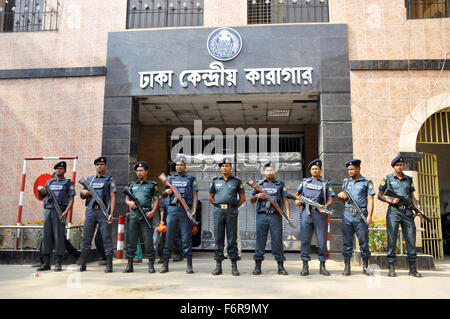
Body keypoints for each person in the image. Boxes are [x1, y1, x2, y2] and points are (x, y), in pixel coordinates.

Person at [378, 154, 423, 278]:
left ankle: (412, 268)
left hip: (407, 212)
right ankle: (391, 267)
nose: (399, 167)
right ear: (393, 167)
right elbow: (379, 195)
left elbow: (412, 196)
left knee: (411, 239)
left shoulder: (408, 179)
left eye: (400, 165)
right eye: (396, 165)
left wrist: (417, 209)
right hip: (394, 211)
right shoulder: (387, 178)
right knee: (392, 238)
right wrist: (390, 200)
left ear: (404, 165)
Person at [295, 159, 335, 276]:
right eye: (312, 169)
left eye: (316, 168)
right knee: (305, 240)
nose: (314, 170)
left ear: (321, 170)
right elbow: (297, 196)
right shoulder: (305, 182)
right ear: (310, 170)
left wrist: (325, 206)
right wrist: (297, 201)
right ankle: (305, 266)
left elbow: (330, 198)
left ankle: (322, 265)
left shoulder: (325, 183)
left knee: (322, 240)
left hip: (320, 214)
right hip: (306, 213)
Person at [160, 155, 198, 274]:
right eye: (177, 165)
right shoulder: (170, 179)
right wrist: (166, 191)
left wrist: (194, 210)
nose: (179, 167)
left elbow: (195, 195)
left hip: (184, 211)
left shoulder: (191, 178)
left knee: (186, 238)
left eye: (181, 164)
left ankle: (189, 265)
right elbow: (163, 195)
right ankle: (165, 265)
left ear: (185, 166)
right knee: (169, 237)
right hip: (172, 211)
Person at [250, 162, 290, 275]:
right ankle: (257, 266)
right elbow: (251, 199)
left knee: (277, 240)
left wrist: (287, 214)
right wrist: (257, 196)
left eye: (271, 170)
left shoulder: (280, 184)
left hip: (275, 215)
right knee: (260, 240)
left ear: (275, 172)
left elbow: (285, 199)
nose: (269, 172)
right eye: (267, 171)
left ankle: (280, 266)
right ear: (264, 172)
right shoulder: (258, 184)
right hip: (262, 215)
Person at [209, 157, 246, 276]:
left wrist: (233, 207)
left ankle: (234, 266)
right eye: (222, 166)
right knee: (219, 238)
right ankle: (218, 266)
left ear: (231, 167)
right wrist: (218, 206)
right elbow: (211, 197)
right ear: (220, 168)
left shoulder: (236, 181)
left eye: (227, 165)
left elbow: (243, 198)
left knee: (232, 239)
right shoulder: (215, 180)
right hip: (219, 211)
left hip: (231, 212)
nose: (224, 167)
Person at [337, 159, 375, 276]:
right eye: (348, 170)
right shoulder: (346, 182)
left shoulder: (367, 182)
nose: (350, 172)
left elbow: (370, 199)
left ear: (358, 169)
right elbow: (342, 199)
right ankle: (347, 267)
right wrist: (340, 196)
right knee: (347, 242)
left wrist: (369, 216)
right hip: (347, 214)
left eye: (352, 169)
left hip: (360, 215)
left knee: (364, 242)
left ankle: (365, 267)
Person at [36, 161, 76, 272]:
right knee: (46, 237)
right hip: (48, 211)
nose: (59, 170)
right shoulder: (49, 182)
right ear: (55, 170)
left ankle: (58, 263)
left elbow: (71, 199)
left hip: (60, 212)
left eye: (61, 168)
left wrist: (65, 213)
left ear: (65, 171)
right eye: (57, 168)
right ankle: (46, 263)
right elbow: (41, 197)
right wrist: (39, 190)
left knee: (59, 237)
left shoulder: (68, 183)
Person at [78, 157, 116, 273]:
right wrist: (84, 192)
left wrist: (111, 214)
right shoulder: (89, 180)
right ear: (95, 166)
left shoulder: (110, 180)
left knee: (106, 238)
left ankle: (109, 265)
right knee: (86, 238)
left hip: (103, 211)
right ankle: (83, 264)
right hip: (90, 211)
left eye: (102, 164)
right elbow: (82, 194)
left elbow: (113, 197)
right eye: (97, 164)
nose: (99, 166)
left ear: (106, 166)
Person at [123, 161, 159, 273]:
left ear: (146, 171)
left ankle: (151, 264)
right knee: (132, 240)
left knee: (148, 241)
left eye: (141, 170)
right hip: (134, 214)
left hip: (146, 214)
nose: (139, 173)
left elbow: (156, 199)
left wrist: (153, 211)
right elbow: (127, 199)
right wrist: (130, 204)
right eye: (137, 171)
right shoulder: (132, 185)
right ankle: (129, 265)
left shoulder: (152, 184)